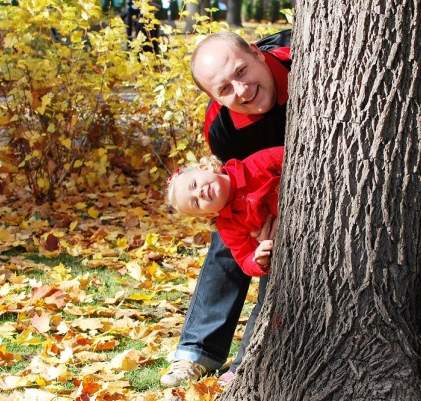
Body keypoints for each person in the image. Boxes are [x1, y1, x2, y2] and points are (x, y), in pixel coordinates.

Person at [160, 30, 291, 387]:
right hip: (265, 196)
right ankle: (197, 351)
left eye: (241, 72)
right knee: (231, 237)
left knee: (282, 255)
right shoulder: (222, 130)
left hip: (303, 186)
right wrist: (263, 225)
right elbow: (232, 188)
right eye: (224, 90)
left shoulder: (303, 59)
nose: (242, 91)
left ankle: (252, 355)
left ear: (256, 54)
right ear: (213, 98)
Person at [165, 146, 283, 277]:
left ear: (206, 168)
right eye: (196, 202)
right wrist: (259, 258)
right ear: (209, 214)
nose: (199, 193)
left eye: (194, 184)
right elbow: (245, 259)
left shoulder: (254, 165)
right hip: (286, 242)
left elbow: (287, 156)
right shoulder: (229, 227)